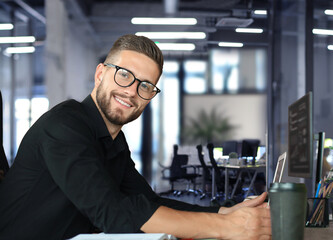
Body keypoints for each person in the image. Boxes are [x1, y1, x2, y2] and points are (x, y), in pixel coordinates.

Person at [0, 34, 271, 240]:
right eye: (124, 75)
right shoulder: (64, 125)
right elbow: (112, 213)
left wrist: (224, 212)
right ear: (100, 74)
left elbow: (147, 203)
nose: (131, 91)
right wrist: (226, 228)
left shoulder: (113, 141)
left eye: (145, 85)